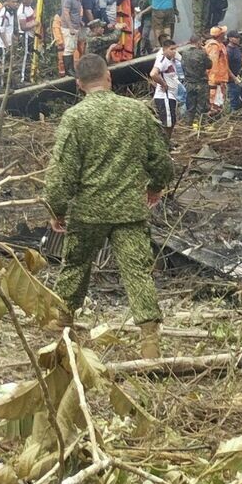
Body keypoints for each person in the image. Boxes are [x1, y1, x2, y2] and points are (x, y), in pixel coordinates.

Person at [45, 55, 173, 359]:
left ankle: (61, 328)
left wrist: (56, 208)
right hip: (129, 209)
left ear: (79, 84)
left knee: (75, 266)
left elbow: (62, 171)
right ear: (109, 78)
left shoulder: (75, 118)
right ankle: (149, 343)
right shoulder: (136, 112)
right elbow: (161, 159)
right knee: (138, 272)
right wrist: (155, 186)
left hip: (88, 211)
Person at [150, 39, 180, 140]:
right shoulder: (162, 60)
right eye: (172, 49)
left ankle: (167, 142)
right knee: (167, 123)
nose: (174, 51)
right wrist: (163, 84)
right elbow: (153, 74)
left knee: (172, 122)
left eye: (175, 49)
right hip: (164, 96)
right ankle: (164, 143)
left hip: (171, 95)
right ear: (165, 49)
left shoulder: (173, 60)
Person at [181, 34, 211, 126]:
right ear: (198, 42)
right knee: (202, 108)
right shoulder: (202, 53)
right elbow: (210, 65)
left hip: (189, 84)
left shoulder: (184, 53)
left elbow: (183, 67)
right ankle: (201, 127)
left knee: (190, 107)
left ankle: (188, 126)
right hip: (201, 84)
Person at [59, 0, 83, 80]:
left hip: (76, 25)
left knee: (72, 48)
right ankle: (68, 70)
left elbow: (76, 11)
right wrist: (71, 27)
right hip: (69, 27)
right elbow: (66, 13)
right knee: (69, 48)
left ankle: (71, 68)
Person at [205, 26, 229, 114]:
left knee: (219, 103)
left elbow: (224, 64)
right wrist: (214, 81)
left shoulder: (220, 45)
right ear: (220, 35)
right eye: (223, 33)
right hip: (215, 80)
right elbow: (213, 64)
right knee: (214, 104)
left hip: (221, 79)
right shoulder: (214, 47)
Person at [17, 0, 38, 84]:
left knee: (30, 55)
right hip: (25, 36)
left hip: (31, 35)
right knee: (26, 56)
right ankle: (23, 79)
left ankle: (30, 75)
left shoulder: (29, 7)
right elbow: (23, 27)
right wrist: (35, 23)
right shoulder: (21, 11)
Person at [226, 31, 242, 112]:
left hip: (240, 77)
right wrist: (234, 78)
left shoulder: (237, 48)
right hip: (232, 80)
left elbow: (240, 60)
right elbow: (226, 67)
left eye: (238, 37)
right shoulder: (228, 51)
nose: (238, 39)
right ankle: (233, 115)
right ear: (230, 39)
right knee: (234, 99)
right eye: (236, 38)